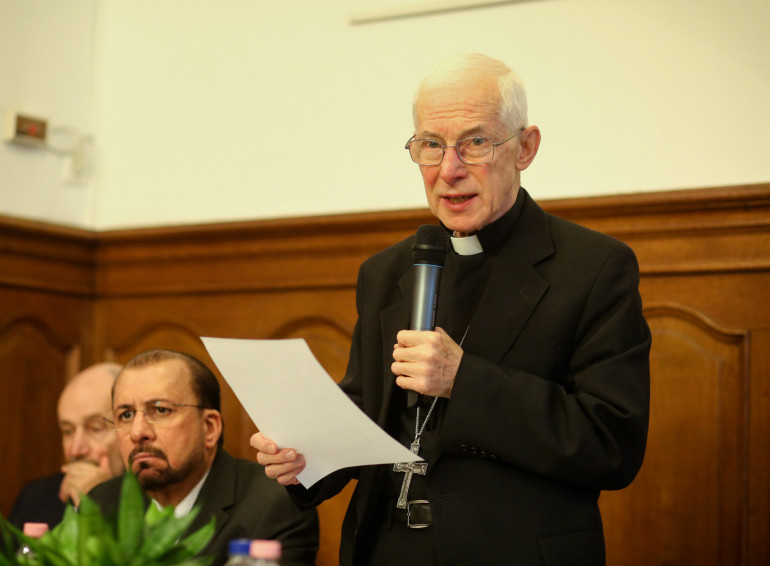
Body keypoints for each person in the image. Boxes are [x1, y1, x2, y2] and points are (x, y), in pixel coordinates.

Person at [251, 53, 651, 565]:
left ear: (526, 148)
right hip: (385, 551)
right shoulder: (385, 272)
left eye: (475, 143)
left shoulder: (593, 267)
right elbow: (369, 409)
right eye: (431, 145)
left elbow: (611, 443)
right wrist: (306, 456)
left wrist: (465, 381)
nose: (449, 170)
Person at [88, 349, 319, 566]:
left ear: (209, 428)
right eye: (126, 415)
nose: (137, 432)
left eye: (161, 410)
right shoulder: (101, 504)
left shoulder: (273, 507)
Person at [6, 363, 125, 531]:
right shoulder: (35, 496)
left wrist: (100, 500)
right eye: (68, 431)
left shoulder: (154, 499)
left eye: (95, 428)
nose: (76, 449)